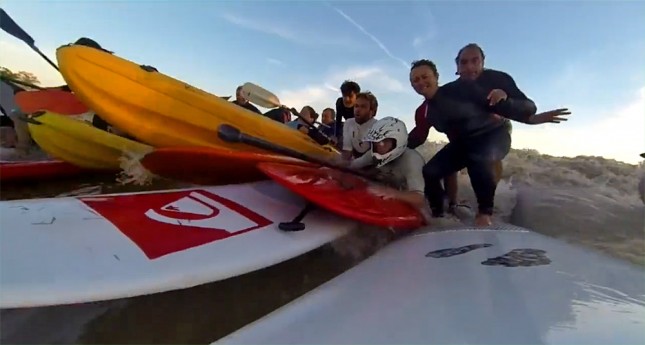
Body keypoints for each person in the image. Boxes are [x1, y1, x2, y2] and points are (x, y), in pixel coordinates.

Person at [408, 59, 569, 227]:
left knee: (478, 158)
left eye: (425, 76)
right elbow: (418, 136)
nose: (421, 82)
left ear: (436, 77)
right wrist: (391, 150)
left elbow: (498, 107)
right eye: (415, 80)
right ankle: (439, 214)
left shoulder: (460, 90)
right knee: (430, 171)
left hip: (493, 134)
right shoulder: (423, 112)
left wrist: (531, 119)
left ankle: (485, 213)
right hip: (464, 143)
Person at [454, 43, 571, 183]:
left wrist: (508, 100)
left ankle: (494, 193)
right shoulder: (453, 90)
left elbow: (529, 106)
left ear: (483, 62)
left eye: (475, 61)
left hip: (498, 129)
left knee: (487, 157)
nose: (469, 66)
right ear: (458, 67)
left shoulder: (499, 79)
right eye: (464, 62)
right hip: (473, 132)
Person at [344, 116, 430, 222]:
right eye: (376, 141)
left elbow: (419, 199)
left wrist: (393, 193)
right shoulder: (373, 154)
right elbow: (350, 167)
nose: (379, 146)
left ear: (398, 141)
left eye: (385, 141)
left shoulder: (411, 160)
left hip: (414, 201)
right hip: (390, 192)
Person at [342, 92, 378, 161]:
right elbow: (347, 152)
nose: (358, 110)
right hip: (355, 165)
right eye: (356, 106)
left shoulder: (378, 127)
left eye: (363, 107)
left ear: (373, 112)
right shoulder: (348, 123)